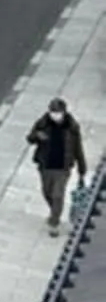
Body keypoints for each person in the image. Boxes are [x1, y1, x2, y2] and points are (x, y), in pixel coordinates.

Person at [29, 99, 88, 233]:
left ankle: (54, 222)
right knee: (47, 192)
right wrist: (37, 136)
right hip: (46, 165)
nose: (55, 115)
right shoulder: (42, 123)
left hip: (63, 167)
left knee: (57, 194)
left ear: (63, 112)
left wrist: (82, 168)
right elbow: (30, 138)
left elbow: (78, 147)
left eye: (58, 112)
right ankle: (55, 211)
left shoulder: (72, 127)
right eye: (52, 112)